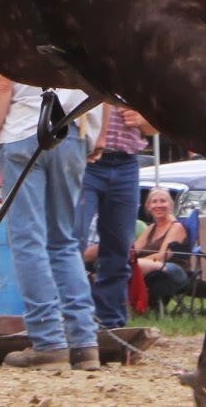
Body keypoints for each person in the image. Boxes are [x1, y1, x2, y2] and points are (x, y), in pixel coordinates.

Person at [0, 75, 101, 371]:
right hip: (74, 132)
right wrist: (98, 134)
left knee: (28, 240)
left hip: (25, 130)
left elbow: (0, 86)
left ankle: (48, 342)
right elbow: (104, 86)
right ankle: (84, 343)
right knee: (63, 241)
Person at [79, 101, 154, 330]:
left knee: (119, 247)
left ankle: (111, 323)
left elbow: (155, 125)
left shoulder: (139, 85)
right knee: (73, 240)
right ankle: (72, 317)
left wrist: (143, 120)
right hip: (85, 159)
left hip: (126, 161)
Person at [133, 187, 192, 306]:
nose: (158, 205)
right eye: (154, 202)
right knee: (118, 263)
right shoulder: (152, 228)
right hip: (151, 266)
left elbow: (162, 256)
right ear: (148, 206)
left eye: (163, 201)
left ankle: (128, 304)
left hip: (173, 270)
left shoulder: (176, 227)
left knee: (131, 265)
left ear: (170, 205)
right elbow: (133, 250)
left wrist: (133, 262)